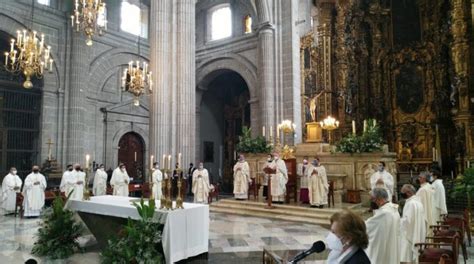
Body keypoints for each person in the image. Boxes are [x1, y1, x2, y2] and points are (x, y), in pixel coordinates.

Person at [365, 188, 400, 264]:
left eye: (372, 199)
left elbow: (366, 227)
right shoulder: (393, 208)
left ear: (379, 199)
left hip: (383, 249)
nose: (371, 202)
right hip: (390, 245)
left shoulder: (384, 213)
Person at [399, 184, 427, 262]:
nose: (402, 193)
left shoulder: (411, 204)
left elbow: (407, 222)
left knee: (406, 258)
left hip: (409, 237)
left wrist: (398, 220)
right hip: (415, 233)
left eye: (402, 192)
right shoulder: (418, 202)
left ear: (408, 193)